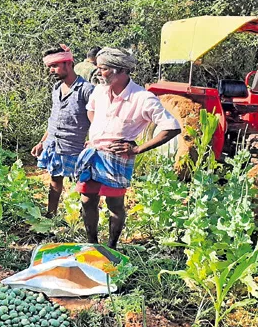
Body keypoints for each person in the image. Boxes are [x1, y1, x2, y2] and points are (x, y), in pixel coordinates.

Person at [76, 47, 181, 249]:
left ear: (120, 70)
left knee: (114, 205)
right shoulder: (99, 90)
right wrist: (100, 134)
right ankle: (93, 245)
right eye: (98, 68)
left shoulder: (143, 98)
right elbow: (92, 112)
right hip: (93, 154)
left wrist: (137, 149)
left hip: (117, 158)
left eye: (103, 68)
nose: (98, 73)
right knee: (87, 200)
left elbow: (172, 127)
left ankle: (112, 247)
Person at [31, 44, 94, 216]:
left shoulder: (86, 90)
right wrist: (42, 142)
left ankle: (86, 221)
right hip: (54, 145)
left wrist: (94, 142)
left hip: (75, 147)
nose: (51, 70)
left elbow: (95, 120)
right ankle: (50, 216)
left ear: (68, 63)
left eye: (54, 66)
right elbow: (54, 118)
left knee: (84, 187)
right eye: (49, 67)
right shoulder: (57, 88)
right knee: (54, 181)